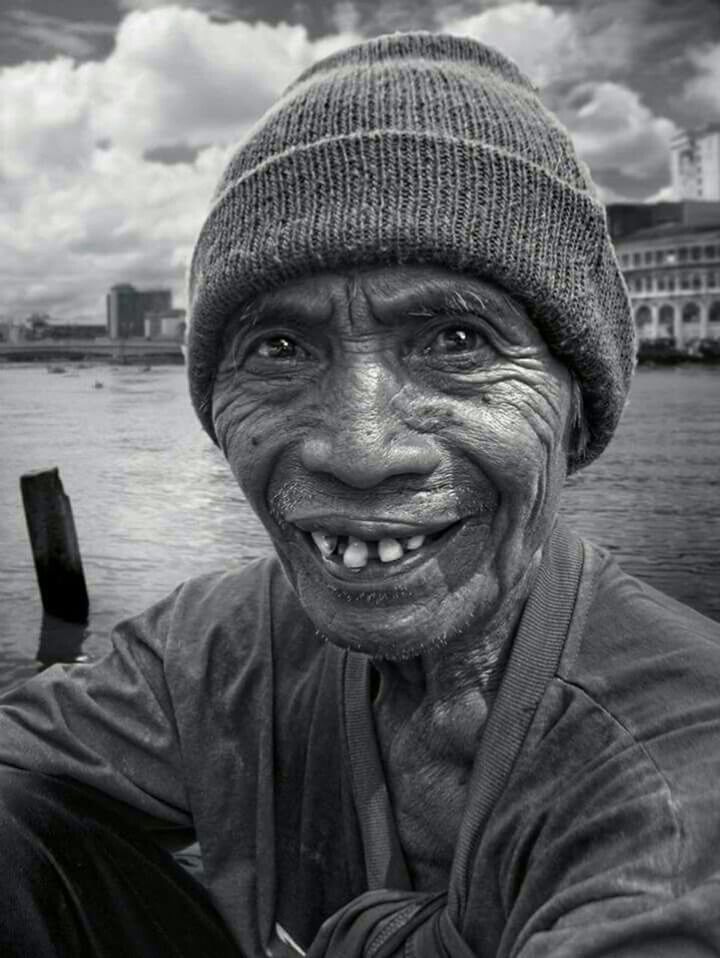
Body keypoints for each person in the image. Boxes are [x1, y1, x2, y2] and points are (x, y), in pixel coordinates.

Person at [1, 30, 720, 958]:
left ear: (580, 410)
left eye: (458, 342)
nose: (360, 448)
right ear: (216, 407)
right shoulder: (226, 642)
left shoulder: (677, 780)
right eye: (280, 348)